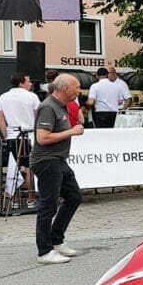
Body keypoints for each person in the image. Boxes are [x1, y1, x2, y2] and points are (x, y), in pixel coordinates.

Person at [30, 74, 84, 264]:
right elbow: (42, 138)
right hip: (46, 161)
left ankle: (56, 239)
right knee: (48, 205)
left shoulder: (61, 106)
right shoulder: (48, 107)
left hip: (59, 160)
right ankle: (44, 252)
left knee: (74, 197)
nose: (79, 90)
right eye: (77, 87)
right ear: (65, 88)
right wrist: (71, 131)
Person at [0, 72, 41, 207]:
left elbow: (0, 119)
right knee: (30, 167)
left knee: (13, 167)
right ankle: (30, 198)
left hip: (12, 135)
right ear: (21, 83)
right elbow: (38, 116)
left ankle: (14, 200)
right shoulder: (32, 97)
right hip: (30, 136)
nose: (31, 83)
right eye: (28, 81)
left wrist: (5, 136)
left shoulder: (3, 97)